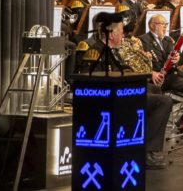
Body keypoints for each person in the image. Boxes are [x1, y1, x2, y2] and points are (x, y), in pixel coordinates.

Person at [74, 17, 172, 169]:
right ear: (111, 35)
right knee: (164, 102)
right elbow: (92, 82)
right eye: (121, 32)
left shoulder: (112, 50)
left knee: (154, 89)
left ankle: (141, 142)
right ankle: (150, 152)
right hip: (110, 99)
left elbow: (123, 71)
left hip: (120, 93)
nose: (123, 36)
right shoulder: (94, 52)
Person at [139, 13, 183, 101]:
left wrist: (177, 59)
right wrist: (151, 72)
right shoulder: (142, 40)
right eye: (162, 24)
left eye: (166, 24)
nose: (165, 27)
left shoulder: (168, 40)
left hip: (171, 74)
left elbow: (178, 58)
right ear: (152, 25)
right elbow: (139, 63)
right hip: (157, 78)